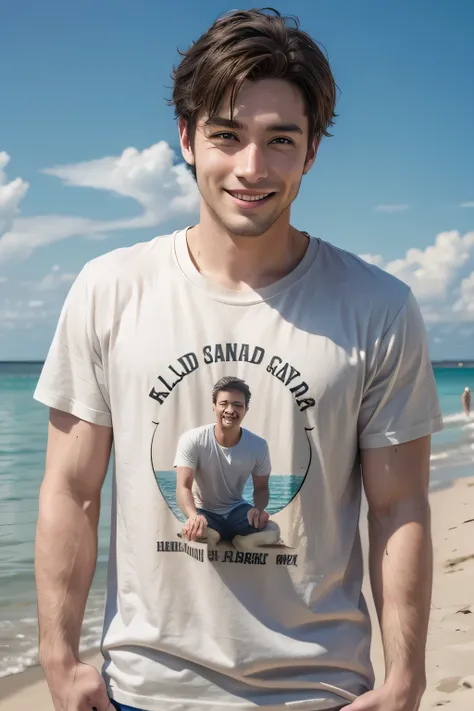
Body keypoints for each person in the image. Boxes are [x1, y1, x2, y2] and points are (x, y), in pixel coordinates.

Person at [33, 8, 443, 711]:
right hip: (144, 690)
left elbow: (399, 505)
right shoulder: (109, 290)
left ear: (311, 151)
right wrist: (58, 654)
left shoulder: (377, 307)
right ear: (188, 139)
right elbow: (71, 489)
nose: (252, 167)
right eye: (227, 135)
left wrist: (405, 675)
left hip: (318, 690)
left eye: (281, 140)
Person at [175, 376, 279, 547]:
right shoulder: (192, 439)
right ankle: (211, 535)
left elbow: (261, 488)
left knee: (272, 528)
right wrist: (193, 516)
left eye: (237, 405)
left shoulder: (258, 445)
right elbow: (183, 487)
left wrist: (258, 510)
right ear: (214, 406)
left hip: (236, 510)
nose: (230, 410)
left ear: (246, 409)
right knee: (192, 530)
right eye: (224, 403)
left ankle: (243, 541)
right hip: (204, 512)